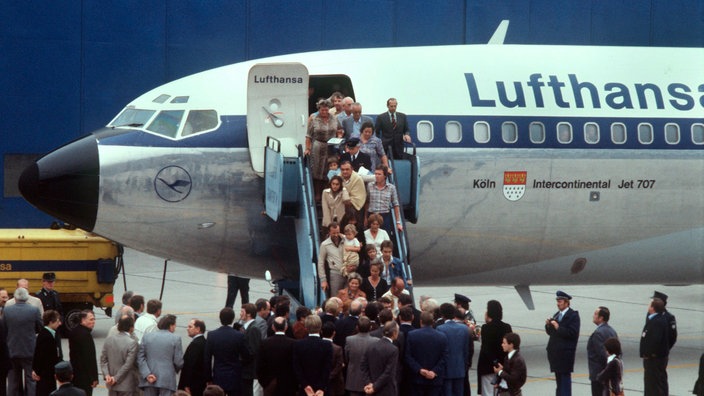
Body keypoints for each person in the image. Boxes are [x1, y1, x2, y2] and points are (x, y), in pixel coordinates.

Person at [4, 287, 42, 396]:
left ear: (15, 298)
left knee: (13, 381)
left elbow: (3, 329)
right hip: (29, 350)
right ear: (27, 298)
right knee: (30, 380)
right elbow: (40, 327)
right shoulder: (34, 310)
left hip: (12, 350)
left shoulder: (7, 311)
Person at [138, 314, 184, 396]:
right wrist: (172, 369)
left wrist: (147, 374)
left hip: (149, 378)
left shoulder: (147, 337)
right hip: (167, 379)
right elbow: (178, 361)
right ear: (171, 326)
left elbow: (140, 358)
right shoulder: (176, 339)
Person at [545, 290, 580, 396]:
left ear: (566, 302)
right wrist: (548, 325)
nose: (558, 303)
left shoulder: (573, 316)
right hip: (556, 355)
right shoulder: (557, 315)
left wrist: (558, 327)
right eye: (557, 301)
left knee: (564, 383)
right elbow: (551, 333)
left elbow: (572, 333)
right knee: (559, 384)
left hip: (565, 355)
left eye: (560, 301)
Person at [405, 311, 449, 396]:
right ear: (433, 322)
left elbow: (408, 356)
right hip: (435, 379)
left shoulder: (412, 335)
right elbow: (445, 357)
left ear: (420, 321)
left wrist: (419, 369)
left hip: (417, 378)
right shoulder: (442, 336)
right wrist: (434, 371)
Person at [206, 308, 247, 396]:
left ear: (220, 318)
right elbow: (246, 355)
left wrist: (208, 378)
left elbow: (207, 359)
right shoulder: (239, 336)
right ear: (232, 319)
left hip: (218, 375)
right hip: (235, 376)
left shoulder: (212, 335)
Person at [305, 98, 339, 200]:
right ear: (319, 109)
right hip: (318, 146)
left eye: (326, 109)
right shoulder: (314, 119)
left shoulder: (334, 118)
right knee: (317, 169)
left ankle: (327, 192)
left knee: (328, 169)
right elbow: (308, 136)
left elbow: (339, 131)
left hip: (331, 146)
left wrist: (339, 136)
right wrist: (308, 148)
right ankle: (317, 193)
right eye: (322, 110)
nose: (324, 112)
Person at [477, 300, 512, 396]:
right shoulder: (507, 327)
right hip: (503, 366)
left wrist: (494, 362)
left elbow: (486, 349)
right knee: (501, 392)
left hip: (488, 366)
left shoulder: (486, 328)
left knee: (488, 392)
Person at [257, 316, 298, 396]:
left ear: (273, 327)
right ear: (286, 327)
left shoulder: (265, 344)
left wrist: (265, 383)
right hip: (289, 385)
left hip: (270, 386)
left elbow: (259, 366)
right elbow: (296, 366)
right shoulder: (293, 344)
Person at [292, 315, 332, 396]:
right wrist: (321, 387)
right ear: (320, 327)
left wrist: (305, 385)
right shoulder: (327, 345)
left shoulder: (298, 345)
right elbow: (327, 368)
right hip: (321, 390)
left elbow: (297, 367)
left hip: (304, 389)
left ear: (306, 328)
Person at [100, 316, 139, 396]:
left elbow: (103, 360)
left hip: (111, 384)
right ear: (131, 328)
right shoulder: (132, 343)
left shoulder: (109, 340)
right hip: (126, 385)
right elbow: (128, 364)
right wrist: (116, 378)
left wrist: (107, 375)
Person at [436, 304, 470, 396]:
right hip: (459, 368)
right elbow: (466, 351)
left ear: (442, 315)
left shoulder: (440, 329)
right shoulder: (464, 329)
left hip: (446, 369)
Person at [640, 297, 670, 396]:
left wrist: (649, 354)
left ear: (653, 308)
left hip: (654, 360)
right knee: (650, 384)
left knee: (653, 386)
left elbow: (655, 341)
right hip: (653, 359)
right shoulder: (656, 319)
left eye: (649, 305)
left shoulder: (657, 322)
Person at [360, 321, 399, 396]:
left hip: (370, 389)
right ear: (394, 333)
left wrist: (369, 383)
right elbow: (388, 372)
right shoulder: (393, 349)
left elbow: (363, 366)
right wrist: (374, 387)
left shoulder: (371, 346)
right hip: (386, 390)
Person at [587, 307, 618, 396]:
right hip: (610, 375)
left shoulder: (598, 333)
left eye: (596, 314)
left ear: (601, 318)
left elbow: (602, 355)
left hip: (599, 374)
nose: (593, 316)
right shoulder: (612, 331)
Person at [366, 165, 403, 237]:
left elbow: (396, 205)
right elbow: (367, 202)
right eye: (375, 174)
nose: (376, 176)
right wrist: (365, 218)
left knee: (385, 240)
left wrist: (398, 222)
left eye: (379, 174)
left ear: (385, 176)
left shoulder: (391, 188)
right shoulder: (370, 186)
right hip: (371, 216)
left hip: (384, 217)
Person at [33, 310, 64, 396]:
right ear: (51, 322)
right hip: (45, 375)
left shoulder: (50, 334)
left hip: (48, 373)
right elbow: (39, 356)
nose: (60, 323)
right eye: (58, 321)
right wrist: (37, 371)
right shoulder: (46, 336)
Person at [69, 310, 100, 396]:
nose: (93, 322)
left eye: (94, 319)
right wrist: (94, 378)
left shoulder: (74, 331)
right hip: (85, 377)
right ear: (83, 320)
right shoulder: (86, 335)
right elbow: (89, 358)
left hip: (75, 374)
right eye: (91, 319)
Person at [344, 316, 376, 396]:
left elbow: (346, 357)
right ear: (370, 327)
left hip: (353, 379)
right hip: (370, 380)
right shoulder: (376, 341)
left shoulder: (349, 340)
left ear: (357, 327)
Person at [178, 319, 207, 396]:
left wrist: (186, 385)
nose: (187, 328)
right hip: (199, 383)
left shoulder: (196, 345)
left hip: (192, 385)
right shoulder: (203, 342)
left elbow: (189, 366)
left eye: (190, 327)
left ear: (198, 329)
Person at [318, 222, 346, 296]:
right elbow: (321, 262)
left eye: (338, 232)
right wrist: (323, 280)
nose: (336, 235)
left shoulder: (346, 239)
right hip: (335, 274)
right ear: (329, 232)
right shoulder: (324, 244)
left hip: (348, 273)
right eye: (334, 233)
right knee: (335, 298)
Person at [240, 303, 263, 396]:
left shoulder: (253, 329)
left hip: (249, 371)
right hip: (246, 370)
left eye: (242, 312)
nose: (240, 314)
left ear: (249, 314)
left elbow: (253, 351)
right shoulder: (246, 327)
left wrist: (240, 359)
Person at [339, 161, 368, 231]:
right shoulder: (338, 177)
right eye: (342, 169)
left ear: (352, 169)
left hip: (356, 210)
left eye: (347, 169)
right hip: (341, 208)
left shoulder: (358, 179)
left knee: (356, 231)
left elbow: (357, 198)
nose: (344, 172)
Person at [321, 323, 345, 396]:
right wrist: (329, 376)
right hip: (335, 383)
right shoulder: (337, 349)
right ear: (334, 333)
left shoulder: (317, 346)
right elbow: (338, 366)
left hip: (319, 381)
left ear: (321, 332)